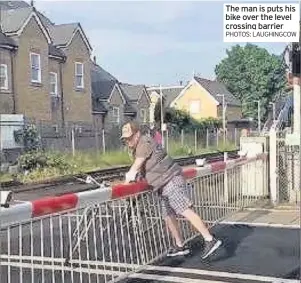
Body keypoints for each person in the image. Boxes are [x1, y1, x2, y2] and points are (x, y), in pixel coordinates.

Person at [121, 121, 222, 259]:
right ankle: (179, 245)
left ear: (137, 134)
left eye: (129, 137)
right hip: (162, 184)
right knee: (168, 215)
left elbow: (135, 168)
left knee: (183, 209)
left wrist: (126, 184)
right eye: (125, 139)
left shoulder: (144, 142)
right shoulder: (140, 146)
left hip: (170, 180)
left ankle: (210, 239)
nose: (127, 141)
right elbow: (143, 170)